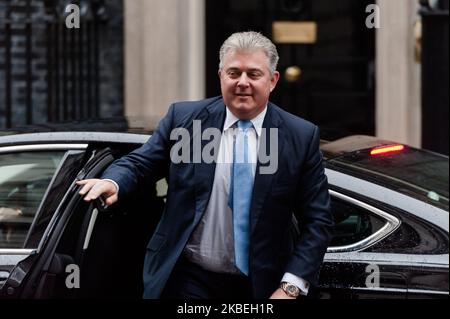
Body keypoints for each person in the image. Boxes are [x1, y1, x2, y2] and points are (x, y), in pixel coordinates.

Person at [77, 31, 333, 299]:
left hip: (263, 286)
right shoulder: (186, 120)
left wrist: (290, 287)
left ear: (272, 80)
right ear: (221, 75)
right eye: (234, 73)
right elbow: (142, 162)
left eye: (253, 74)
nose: (242, 82)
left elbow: (318, 222)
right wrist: (113, 181)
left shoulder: (299, 137)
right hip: (191, 279)